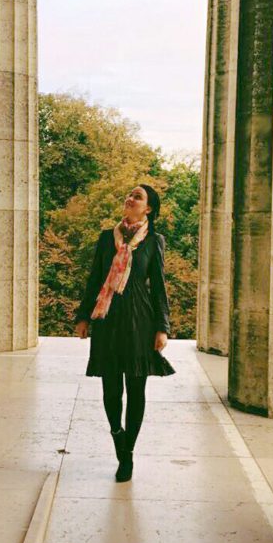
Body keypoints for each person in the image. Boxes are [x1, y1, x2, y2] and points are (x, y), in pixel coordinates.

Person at [74, 183, 174, 482]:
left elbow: (158, 285)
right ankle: (118, 436)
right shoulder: (107, 238)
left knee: (136, 388)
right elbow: (95, 279)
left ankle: (126, 455)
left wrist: (162, 327)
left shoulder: (153, 240)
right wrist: (83, 317)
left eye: (138, 197)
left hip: (139, 320)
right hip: (107, 319)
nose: (130, 199)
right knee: (111, 388)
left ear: (149, 209)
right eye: (129, 195)